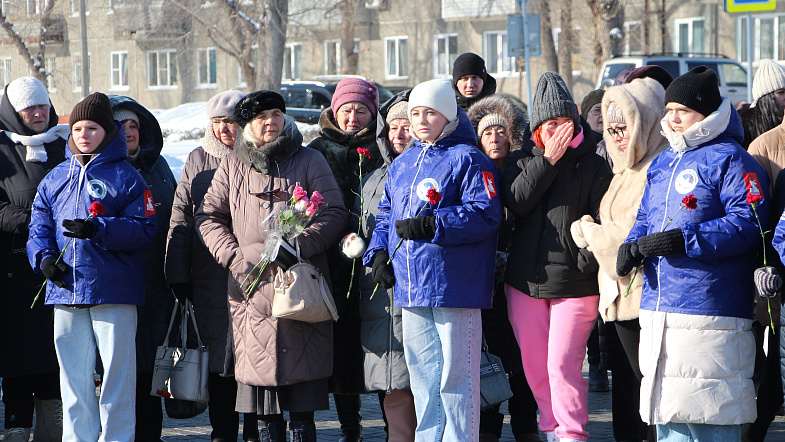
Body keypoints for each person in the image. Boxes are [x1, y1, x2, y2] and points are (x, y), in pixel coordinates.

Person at [616, 66, 768, 441]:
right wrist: (632, 245)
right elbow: (647, 217)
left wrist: (685, 240)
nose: (671, 118)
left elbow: (749, 224)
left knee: (710, 416)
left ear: (706, 113)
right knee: (669, 416)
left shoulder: (733, 160)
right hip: (659, 308)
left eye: (681, 110)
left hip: (710, 307)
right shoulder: (664, 162)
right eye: (668, 110)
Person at [196, 91, 348, 441]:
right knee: (264, 411)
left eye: (277, 114)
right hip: (251, 293)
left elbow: (335, 212)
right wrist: (234, 256)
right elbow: (208, 216)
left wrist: (296, 247)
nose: (271, 122)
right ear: (247, 124)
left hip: (299, 290)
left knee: (302, 407)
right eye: (262, 117)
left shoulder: (309, 159)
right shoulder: (233, 164)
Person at [362, 79, 502, 441]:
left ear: (449, 116)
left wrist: (434, 224)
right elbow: (386, 213)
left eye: (431, 113)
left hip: (456, 286)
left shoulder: (469, 158)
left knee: (455, 377)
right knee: (424, 378)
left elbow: (486, 213)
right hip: (412, 287)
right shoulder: (404, 162)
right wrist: (376, 253)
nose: (421, 121)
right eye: (415, 114)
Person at [27, 92, 158, 442]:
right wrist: (43, 258)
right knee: (72, 376)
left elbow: (145, 227)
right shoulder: (55, 177)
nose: (84, 134)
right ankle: (78, 437)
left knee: (117, 375)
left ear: (109, 132)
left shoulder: (127, 177)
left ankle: (116, 438)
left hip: (113, 289)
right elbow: (38, 224)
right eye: (79, 128)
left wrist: (101, 229)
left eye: (94, 128)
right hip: (65, 288)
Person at [500, 72, 612, 442]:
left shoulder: (593, 162)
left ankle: (572, 435)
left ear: (576, 121)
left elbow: (601, 219)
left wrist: (586, 262)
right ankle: (550, 431)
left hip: (574, 285)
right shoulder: (522, 160)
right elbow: (516, 202)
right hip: (524, 284)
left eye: (565, 122)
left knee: (562, 365)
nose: (559, 130)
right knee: (535, 368)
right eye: (550, 123)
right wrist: (547, 160)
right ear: (537, 128)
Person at [571, 77, 669, 442]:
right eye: (612, 131)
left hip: (643, 295)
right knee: (625, 387)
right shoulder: (623, 170)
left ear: (646, 121)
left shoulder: (656, 167)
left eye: (625, 128)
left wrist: (586, 231)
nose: (618, 138)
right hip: (617, 298)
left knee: (643, 386)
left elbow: (627, 232)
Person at [165, 90, 260, 442]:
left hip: (253, 275)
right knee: (219, 362)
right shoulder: (197, 159)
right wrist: (177, 273)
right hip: (209, 277)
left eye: (231, 123)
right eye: (217, 123)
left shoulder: (259, 157)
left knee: (252, 359)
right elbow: (180, 218)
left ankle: (254, 429)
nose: (224, 131)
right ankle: (222, 432)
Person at [307, 77, 382, 442]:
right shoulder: (318, 149)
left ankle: (392, 426)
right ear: (335, 111)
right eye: (346, 110)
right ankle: (349, 428)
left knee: (384, 349)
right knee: (341, 354)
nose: (353, 118)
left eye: (361, 110)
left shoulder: (382, 146)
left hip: (376, 267)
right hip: (333, 268)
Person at [343, 91, 417, 442]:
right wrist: (360, 247)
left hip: (416, 290)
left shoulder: (428, 170)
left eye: (406, 127)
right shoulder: (372, 178)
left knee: (421, 380)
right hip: (379, 297)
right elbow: (365, 227)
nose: (399, 135)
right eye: (393, 128)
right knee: (391, 383)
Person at [467, 95, 541, 442]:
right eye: (487, 133)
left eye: (500, 132)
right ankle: (488, 429)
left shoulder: (522, 167)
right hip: (483, 281)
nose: (494, 138)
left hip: (522, 277)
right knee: (489, 356)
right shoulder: (471, 170)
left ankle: (527, 426)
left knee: (524, 356)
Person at [0, 76, 67, 442]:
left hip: (58, 265)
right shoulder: (1, 148)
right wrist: (31, 220)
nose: (39, 114)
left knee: (54, 346)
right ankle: (15, 423)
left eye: (42, 106)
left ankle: (50, 424)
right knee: (18, 352)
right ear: (14, 112)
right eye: (29, 108)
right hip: (14, 269)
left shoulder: (63, 144)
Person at [108, 94, 177, 442]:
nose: (129, 132)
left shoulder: (158, 165)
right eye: (120, 125)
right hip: (122, 290)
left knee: (154, 373)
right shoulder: (104, 170)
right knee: (128, 374)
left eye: (134, 125)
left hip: (160, 287)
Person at [744, 59, 785, 442]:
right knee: (767, 363)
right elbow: (760, 215)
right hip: (769, 268)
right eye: (779, 93)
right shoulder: (761, 145)